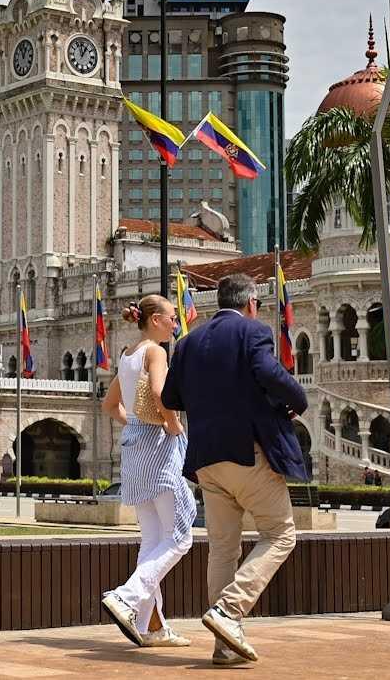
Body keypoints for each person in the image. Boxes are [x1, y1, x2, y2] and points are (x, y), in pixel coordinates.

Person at [162, 273, 309, 665]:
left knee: (223, 549)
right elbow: (268, 372)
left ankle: (224, 645)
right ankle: (229, 610)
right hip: (248, 453)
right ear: (251, 303)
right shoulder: (253, 332)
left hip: (206, 459)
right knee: (280, 534)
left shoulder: (188, 343)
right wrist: (296, 398)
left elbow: (169, 396)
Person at [99, 295, 195, 649]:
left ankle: (151, 625)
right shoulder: (155, 352)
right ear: (154, 319)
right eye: (172, 317)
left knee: (153, 540)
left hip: (134, 450)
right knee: (181, 535)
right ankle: (127, 595)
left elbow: (110, 405)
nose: (176, 322)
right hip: (157, 448)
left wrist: (135, 424)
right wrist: (171, 424)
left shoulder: (126, 355)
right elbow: (159, 392)